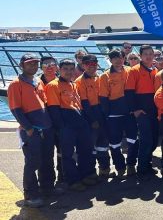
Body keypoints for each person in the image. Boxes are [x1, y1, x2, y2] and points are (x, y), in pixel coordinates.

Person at [8, 54, 58, 207]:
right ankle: (31, 193)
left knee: (47, 159)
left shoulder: (38, 81)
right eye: (29, 64)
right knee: (33, 161)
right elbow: (15, 109)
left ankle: (47, 187)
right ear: (21, 65)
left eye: (35, 63)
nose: (33, 66)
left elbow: (44, 103)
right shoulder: (15, 84)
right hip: (32, 130)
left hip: (46, 128)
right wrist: (28, 128)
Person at [46, 59, 97, 191]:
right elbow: (54, 109)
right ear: (59, 69)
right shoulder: (53, 85)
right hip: (66, 124)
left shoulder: (73, 84)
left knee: (85, 150)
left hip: (79, 121)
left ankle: (85, 175)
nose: (69, 72)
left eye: (71, 69)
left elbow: (78, 104)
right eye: (65, 69)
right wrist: (61, 128)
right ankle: (73, 180)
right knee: (68, 155)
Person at [99, 49, 137, 178]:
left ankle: (131, 165)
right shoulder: (104, 76)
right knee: (115, 143)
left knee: (133, 140)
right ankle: (120, 167)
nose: (118, 60)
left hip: (130, 113)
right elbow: (103, 98)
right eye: (114, 58)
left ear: (124, 58)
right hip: (114, 115)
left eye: (120, 57)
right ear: (110, 60)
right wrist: (107, 114)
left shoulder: (130, 71)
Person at [125, 44, 158, 180]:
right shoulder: (134, 71)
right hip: (142, 110)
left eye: (151, 54)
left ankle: (148, 164)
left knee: (154, 139)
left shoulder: (155, 70)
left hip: (154, 110)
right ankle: (142, 168)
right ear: (140, 56)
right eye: (146, 54)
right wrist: (135, 110)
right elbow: (129, 92)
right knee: (146, 140)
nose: (149, 56)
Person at [75, 54, 110, 178]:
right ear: (83, 65)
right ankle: (89, 173)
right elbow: (84, 103)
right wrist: (92, 120)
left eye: (94, 65)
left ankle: (104, 169)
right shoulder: (79, 82)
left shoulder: (100, 78)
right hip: (90, 115)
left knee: (103, 144)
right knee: (90, 146)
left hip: (102, 113)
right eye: (89, 65)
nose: (92, 67)